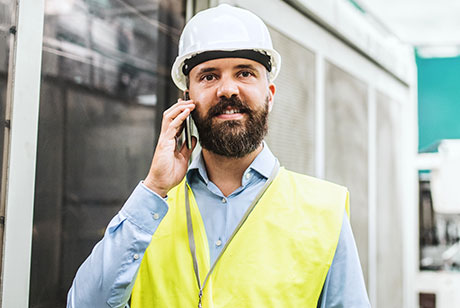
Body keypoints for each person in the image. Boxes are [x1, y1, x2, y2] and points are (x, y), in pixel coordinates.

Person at [67, 4, 370, 308]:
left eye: (245, 73)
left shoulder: (323, 212)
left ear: (270, 95)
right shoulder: (149, 211)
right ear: (186, 100)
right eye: (209, 76)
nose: (227, 90)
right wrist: (154, 189)